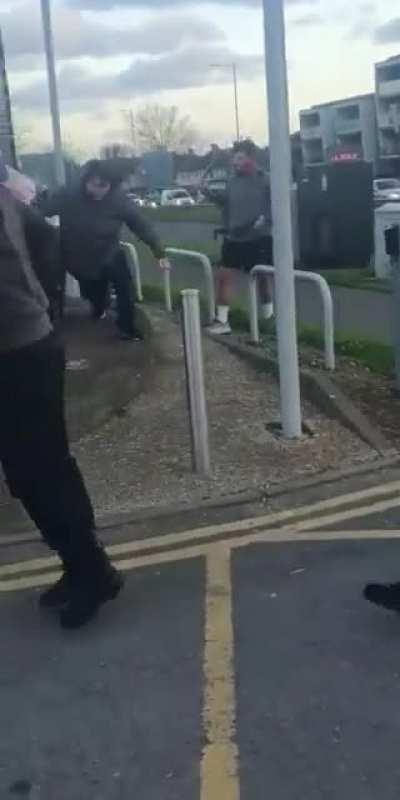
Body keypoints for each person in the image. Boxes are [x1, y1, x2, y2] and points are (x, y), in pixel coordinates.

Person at [0, 158, 123, 630]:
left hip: (23, 350)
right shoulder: (10, 197)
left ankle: (93, 571)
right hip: (25, 345)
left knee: (42, 469)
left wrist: (44, 305)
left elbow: (47, 240)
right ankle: (80, 565)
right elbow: (46, 239)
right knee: (32, 472)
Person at [41, 159, 169, 340]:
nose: (101, 190)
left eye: (106, 186)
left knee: (125, 286)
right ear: (86, 180)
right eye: (96, 185)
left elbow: (140, 224)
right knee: (94, 292)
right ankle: (98, 305)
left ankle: (127, 328)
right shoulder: (68, 194)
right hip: (77, 256)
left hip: (109, 251)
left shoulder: (118, 199)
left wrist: (158, 251)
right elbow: (42, 211)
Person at [206, 139, 274, 335]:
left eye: (240, 158)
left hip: (258, 238)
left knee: (262, 279)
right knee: (224, 277)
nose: (235, 162)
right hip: (234, 238)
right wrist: (210, 195)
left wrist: (266, 220)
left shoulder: (264, 179)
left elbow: (277, 203)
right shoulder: (232, 180)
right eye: (234, 158)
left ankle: (268, 318)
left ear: (251, 159)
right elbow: (226, 203)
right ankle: (222, 321)